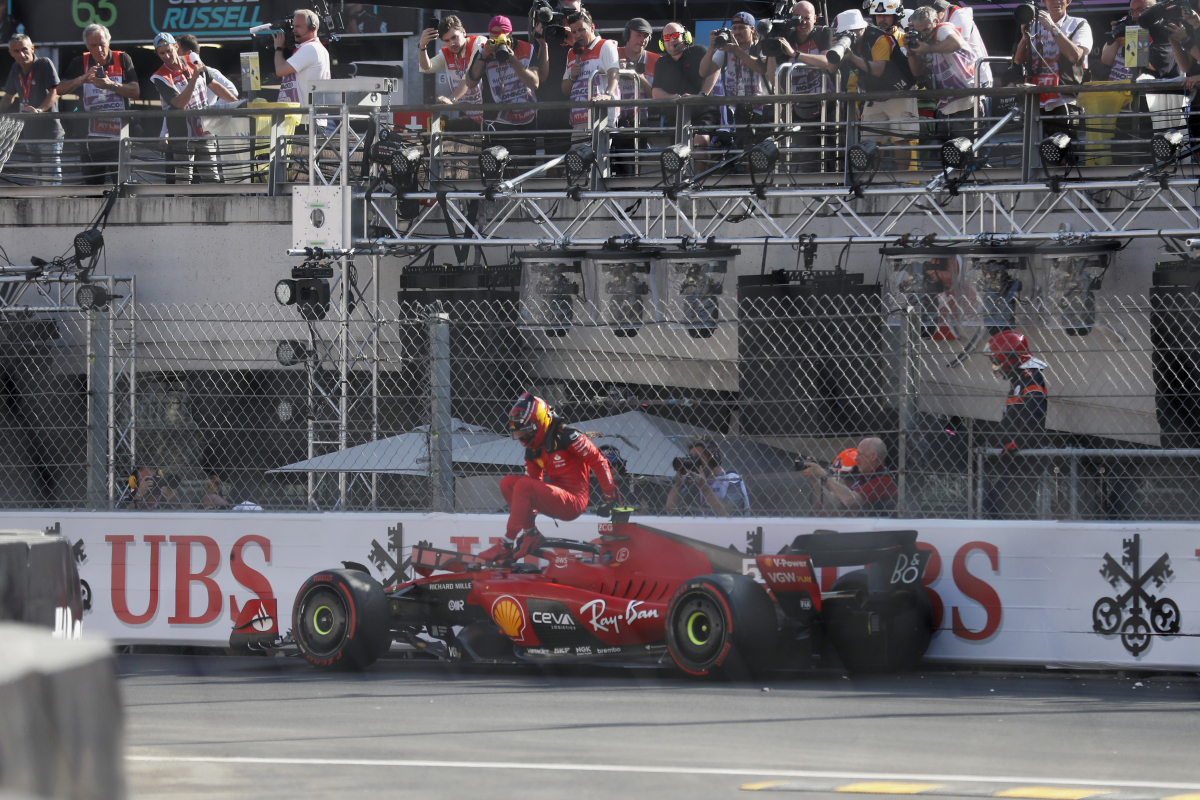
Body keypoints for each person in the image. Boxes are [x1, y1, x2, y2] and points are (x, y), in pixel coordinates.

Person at [478, 393, 618, 562]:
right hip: (556, 497)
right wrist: (528, 521)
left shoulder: (568, 436)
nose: (522, 438)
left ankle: (506, 544)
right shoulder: (533, 449)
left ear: (539, 422)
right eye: (519, 433)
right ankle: (531, 534)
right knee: (508, 483)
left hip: (574, 502)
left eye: (525, 432)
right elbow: (532, 485)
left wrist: (610, 498)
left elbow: (598, 460)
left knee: (523, 485)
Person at [57, 23, 139, 185]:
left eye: (102, 44)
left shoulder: (122, 58)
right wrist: (83, 78)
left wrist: (111, 85)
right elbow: (60, 89)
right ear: (87, 46)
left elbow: (135, 91)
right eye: (93, 45)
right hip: (91, 137)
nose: (99, 49)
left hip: (120, 136)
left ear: (109, 42)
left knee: (122, 185)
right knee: (93, 186)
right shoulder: (80, 62)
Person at [840, 1, 919, 170]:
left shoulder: (902, 37)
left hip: (901, 93)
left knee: (902, 139)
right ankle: (869, 184)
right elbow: (854, 74)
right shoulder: (861, 38)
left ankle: (904, 184)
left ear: (896, 16)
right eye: (878, 15)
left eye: (887, 15)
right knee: (868, 143)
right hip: (873, 96)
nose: (882, 19)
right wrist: (854, 102)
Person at [151, 32, 237, 184]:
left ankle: (213, 206)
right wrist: (194, 78)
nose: (166, 56)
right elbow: (179, 104)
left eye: (169, 51)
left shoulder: (193, 60)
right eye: (161, 53)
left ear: (176, 47)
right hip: (182, 136)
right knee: (184, 180)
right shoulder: (160, 77)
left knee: (212, 178)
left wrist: (238, 104)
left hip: (204, 130)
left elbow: (214, 85)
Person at [451, 16, 539, 159]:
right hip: (495, 120)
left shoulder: (527, 49)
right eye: (493, 38)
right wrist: (482, 57)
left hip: (525, 120)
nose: (497, 42)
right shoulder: (483, 50)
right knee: (494, 167)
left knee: (525, 165)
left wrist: (513, 60)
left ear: (510, 34)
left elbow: (534, 83)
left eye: (500, 37)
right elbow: (470, 82)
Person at [981, 330, 1048, 519]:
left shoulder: (1030, 377)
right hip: (1018, 456)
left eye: (996, 361)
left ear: (1008, 358)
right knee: (1003, 508)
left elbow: (1035, 415)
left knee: (997, 506)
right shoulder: (1021, 379)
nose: (994, 366)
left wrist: (1017, 442)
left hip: (1026, 456)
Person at [765, 2, 837, 171]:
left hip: (828, 105)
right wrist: (770, 48)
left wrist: (794, 54)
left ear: (815, 18)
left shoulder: (823, 32)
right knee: (807, 157)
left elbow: (826, 62)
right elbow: (773, 78)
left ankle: (836, 191)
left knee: (834, 152)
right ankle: (812, 191)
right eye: (798, 19)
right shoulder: (787, 36)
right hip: (800, 108)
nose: (803, 23)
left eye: (807, 18)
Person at [1013, 0, 1091, 141]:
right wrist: (1025, 38)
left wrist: (1053, 28)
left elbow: (1074, 56)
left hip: (1064, 99)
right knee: (1034, 149)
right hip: (1035, 98)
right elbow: (1018, 60)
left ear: (1068, 1)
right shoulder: (1034, 25)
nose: (1056, 1)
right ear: (1044, 1)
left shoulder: (1079, 23)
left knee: (1063, 150)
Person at [906, 5, 979, 144]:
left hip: (966, 98)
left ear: (936, 22)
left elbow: (956, 43)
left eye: (926, 29)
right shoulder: (921, 40)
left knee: (965, 148)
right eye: (919, 30)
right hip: (945, 104)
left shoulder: (943, 28)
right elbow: (917, 71)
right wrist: (910, 50)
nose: (924, 34)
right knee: (946, 151)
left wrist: (928, 49)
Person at [699, 12, 769, 145]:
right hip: (740, 111)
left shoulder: (760, 46)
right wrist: (712, 48)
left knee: (758, 155)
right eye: (735, 28)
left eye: (742, 27)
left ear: (752, 29)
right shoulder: (726, 50)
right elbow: (703, 72)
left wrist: (737, 51)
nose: (737, 32)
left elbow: (761, 68)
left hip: (762, 110)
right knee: (743, 154)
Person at [2, 34, 63, 185]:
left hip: (50, 134)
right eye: (16, 51)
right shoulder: (15, 68)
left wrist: (39, 110)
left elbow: (56, 92)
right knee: (38, 182)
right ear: (11, 53)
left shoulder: (44, 64)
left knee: (51, 183)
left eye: (24, 49)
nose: (21, 54)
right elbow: (9, 97)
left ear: (32, 48)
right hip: (29, 134)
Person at [652, 22, 719, 148]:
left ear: (686, 36)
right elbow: (656, 92)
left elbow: (715, 69)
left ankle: (700, 169)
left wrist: (701, 95)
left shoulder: (699, 51)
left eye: (675, 35)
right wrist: (674, 97)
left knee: (700, 141)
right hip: (676, 117)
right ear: (662, 43)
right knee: (677, 152)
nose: (671, 39)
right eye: (667, 37)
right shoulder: (661, 63)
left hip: (704, 112)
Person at [418, 16, 485, 130]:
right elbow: (426, 67)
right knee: (440, 128)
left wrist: (451, 99)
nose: (452, 43)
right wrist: (422, 46)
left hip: (492, 112)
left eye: (455, 37)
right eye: (447, 40)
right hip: (470, 115)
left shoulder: (479, 42)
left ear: (464, 32)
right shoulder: (446, 53)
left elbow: (470, 75)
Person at [799, 438, 896, 515]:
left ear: (873, 456)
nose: (857, 458)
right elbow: (831, 505)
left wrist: (825, 476)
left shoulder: (884, 480)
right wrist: (815, 479)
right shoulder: (864, 478)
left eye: (860, 454)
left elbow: (849, 499)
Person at [562, 8, 620, 132]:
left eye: (581, 30)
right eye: (574, 32)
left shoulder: (606, 45)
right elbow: (564, 89)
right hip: (577, 122)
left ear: (592, 27)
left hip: (600, 120)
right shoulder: (571, 52)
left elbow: (614, 73)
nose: (577, 35)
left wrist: (608, 94)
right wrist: (572, 77)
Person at [533, 0, 579, 155]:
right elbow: (542, 76)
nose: (569, 14)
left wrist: (574, 36)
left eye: (573, 10)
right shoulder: (549, 28)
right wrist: (543, 43)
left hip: (578, 105)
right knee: (553, 160)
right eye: (565, 9)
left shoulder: (585, 30)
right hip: (553, 103)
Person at [664, 440, 750, 516]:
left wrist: (704, 487)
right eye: (690, 459)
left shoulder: (731, 479)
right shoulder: (696, 481)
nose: (694, 463)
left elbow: (726, 513)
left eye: (697, 459)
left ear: (712, 459)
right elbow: (671, 509)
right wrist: (679, 480)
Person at [273, 9, 331, 111]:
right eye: (293, 26)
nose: (294, 30)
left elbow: (280, 70)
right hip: (309, 117)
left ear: (313, 27)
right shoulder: (313, 47)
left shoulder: (310, 48)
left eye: (298, 26)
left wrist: (279, 48)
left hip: (308, 119)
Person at [618, 18, 658, 127]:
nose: (642, 40)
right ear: (626, 35)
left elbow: (658, 99)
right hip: (613, 118)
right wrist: (615, 72)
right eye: (638, 35)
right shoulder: (613, 54)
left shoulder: (656, 61)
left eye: (645, 36)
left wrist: (640, 78)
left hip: (642, 120)